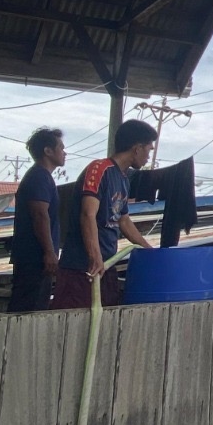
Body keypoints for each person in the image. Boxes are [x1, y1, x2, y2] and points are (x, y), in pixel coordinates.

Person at [51, 119, 157, 310]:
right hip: (81, 266)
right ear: (137, 148)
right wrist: (95, 256)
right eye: (149, 149)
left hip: (107, 265)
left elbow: (123, 219)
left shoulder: (124, 179)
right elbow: (87, 214)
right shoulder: (99, 169)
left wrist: (147, 248)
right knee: (73, 321)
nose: (149, 156)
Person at [7, 127, 65, 312]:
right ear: (47, 151)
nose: (65, 153)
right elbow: (40, 215)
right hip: (34, 258)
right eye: (61, 148)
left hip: (35, 257)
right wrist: (49, 252)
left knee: (34, 307)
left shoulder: (43, 177)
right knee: (27, 310)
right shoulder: (39, 177)